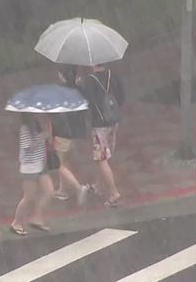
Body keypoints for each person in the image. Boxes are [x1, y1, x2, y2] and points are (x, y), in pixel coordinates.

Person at [76, 64, 125, 207]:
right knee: (106, 154)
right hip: (113, 121)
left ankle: (114, 193)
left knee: (101, 159)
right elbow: (121, 97)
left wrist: (79, 86)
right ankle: (98, 185)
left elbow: (87, 101)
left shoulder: (90, 80)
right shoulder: (113, 75)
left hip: (99, 124)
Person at [10, 113, 55, 236]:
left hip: (41, 164)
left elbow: (49, 142)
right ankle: (16, 223)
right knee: (29, 197)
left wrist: (48, 131)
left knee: (49, 191)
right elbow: (27, 148)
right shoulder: (25, 129)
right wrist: (42, 136)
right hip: (29, 167)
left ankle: (37, 218)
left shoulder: (38, 125)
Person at [51, 65, 90, 206]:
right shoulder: (78, 90)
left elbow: (56, 114)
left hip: (62, 132)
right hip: (74, 132)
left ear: (62, 76)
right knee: (64, 161)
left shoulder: (59, 92)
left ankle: (79, 188)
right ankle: (62, 190)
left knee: (58, 164)